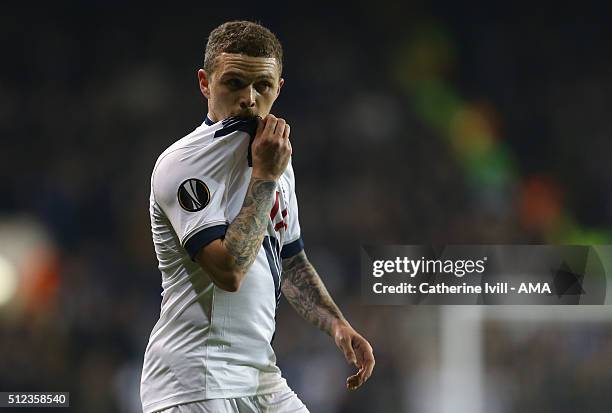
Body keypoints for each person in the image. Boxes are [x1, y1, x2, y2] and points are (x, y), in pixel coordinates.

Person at [140, 20, 375, 413]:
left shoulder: (277, 160)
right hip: (193, 380)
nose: (249, 99)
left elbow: (291, 258)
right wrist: (264, 175)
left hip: (260, 376)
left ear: (278, 88)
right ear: (205, 83)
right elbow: (229, 272)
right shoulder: (183, 164)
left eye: (262, 86)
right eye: (233, 83)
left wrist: (337, 325)